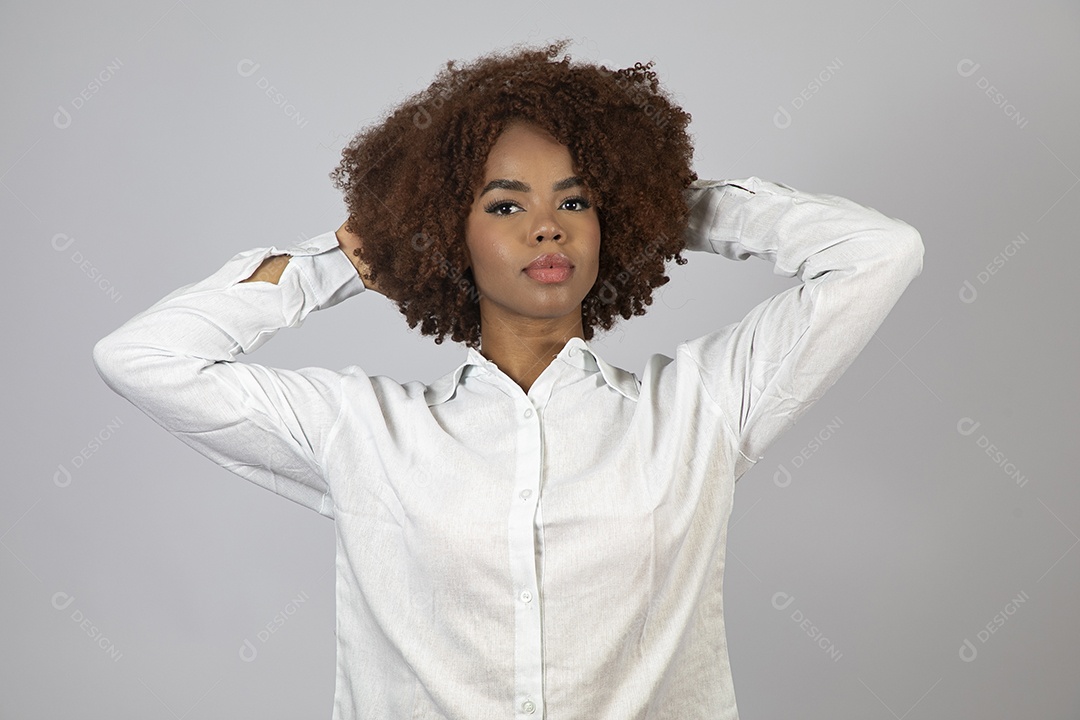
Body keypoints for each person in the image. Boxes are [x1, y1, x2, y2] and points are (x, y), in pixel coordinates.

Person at [92, 38, 924, 720]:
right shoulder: (364, 432)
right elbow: (144, 357)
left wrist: (676, 206)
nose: (547, 228)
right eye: (504, 205)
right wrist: (338, 262)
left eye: (577, 201)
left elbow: (879, 254)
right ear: (444, 232)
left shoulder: (699, 410)